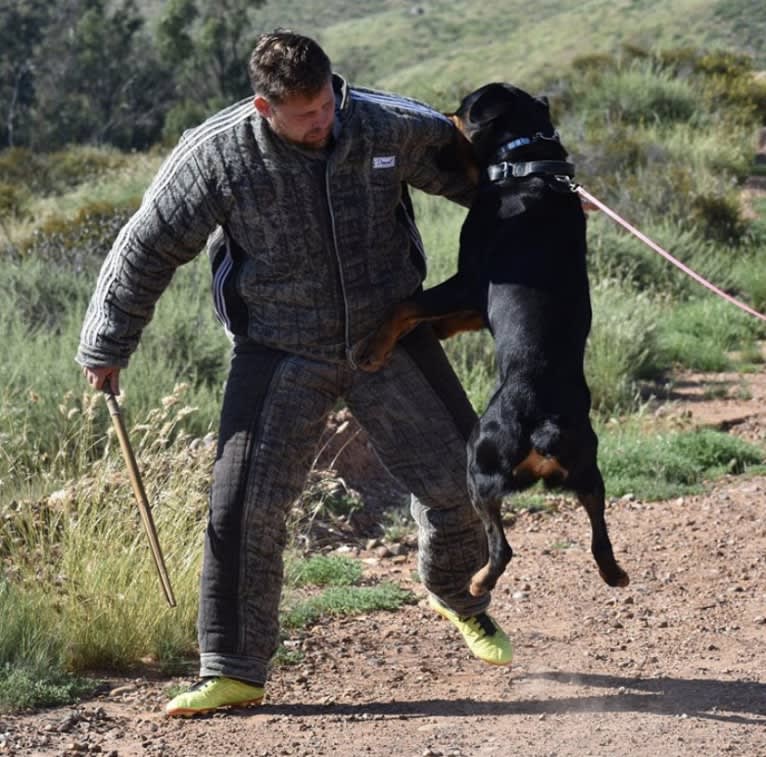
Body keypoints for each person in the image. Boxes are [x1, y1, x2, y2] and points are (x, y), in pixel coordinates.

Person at [77, 30, 512, 718]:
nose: (324, 122)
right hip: (278, 349)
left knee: (462, 481)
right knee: (244, 509)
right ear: (264, 106)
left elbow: (466, 169)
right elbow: (148, 247)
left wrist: (540, 196)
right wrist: (107, 342)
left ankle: (456, 595)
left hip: (390, 332)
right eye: (306, 115)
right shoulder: (216, 155)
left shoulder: (379, 121)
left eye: (328, 105)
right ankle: (233, 668)